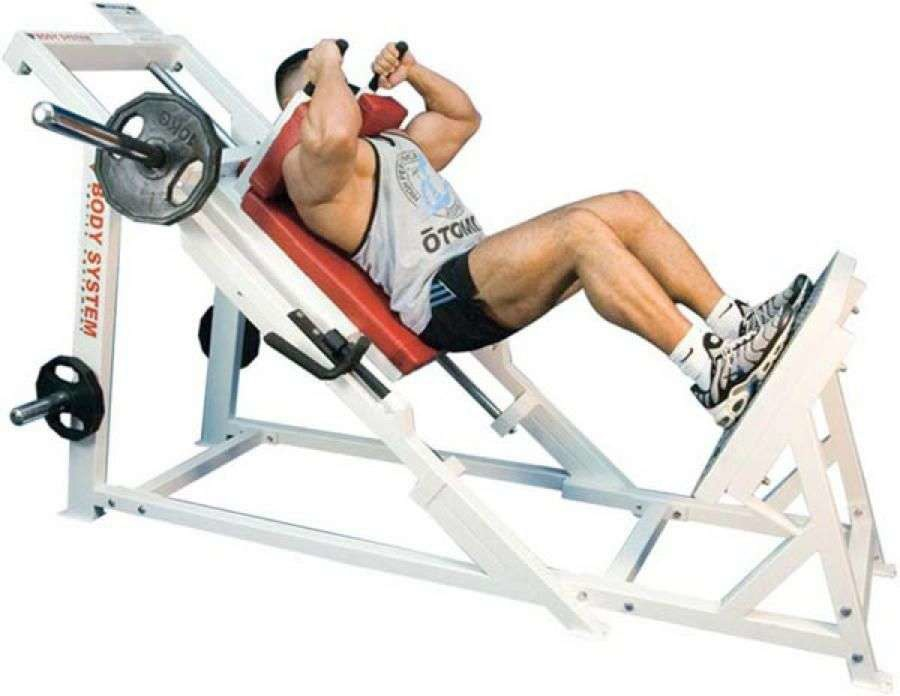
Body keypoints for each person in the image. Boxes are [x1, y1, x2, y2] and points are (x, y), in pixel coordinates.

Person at [273, 40, 811, 427]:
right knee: (580, 233)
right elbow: (332, 132)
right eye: (329, 86)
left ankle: (732, 322)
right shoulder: (308, 171)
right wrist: (326, 60)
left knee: (629, 208)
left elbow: (461, 118)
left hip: (477, 269)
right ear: (307, 104)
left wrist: (414, 72)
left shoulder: (389, 146)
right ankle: (710, 371)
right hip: (441, 301)